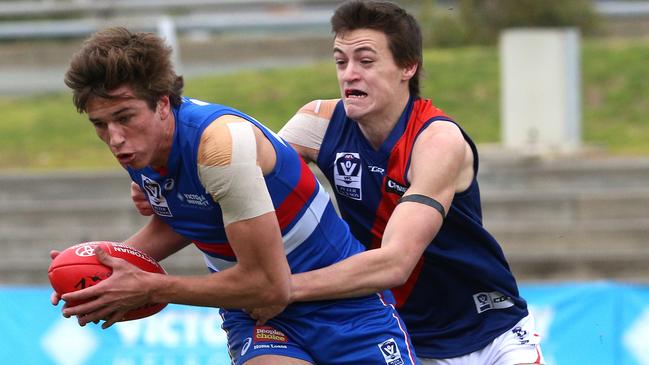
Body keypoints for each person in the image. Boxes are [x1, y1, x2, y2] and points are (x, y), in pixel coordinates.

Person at [53, 26, 421, 365]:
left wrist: (150, 288)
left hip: (342, 304)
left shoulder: (218, 147)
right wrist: (98, 275)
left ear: (163, 103)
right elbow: (192, 217)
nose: (114, 138)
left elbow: (269, 287)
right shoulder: (141, 145)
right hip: (256, 314)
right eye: (100, 124)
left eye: (124, 117)